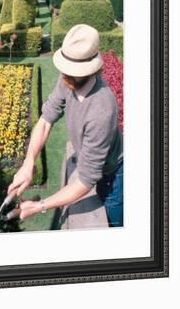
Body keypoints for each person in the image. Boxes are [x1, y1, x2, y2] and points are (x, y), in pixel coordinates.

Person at [8, 23, 123, 227]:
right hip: (91, 164)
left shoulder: (101, 109)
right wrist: (28, 163)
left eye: (71, 70)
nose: (63, 74)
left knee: (113, 226)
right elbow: (45, 121)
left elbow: (86, 181)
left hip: (112, 177)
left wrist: (38, 206)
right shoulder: (67, 80)